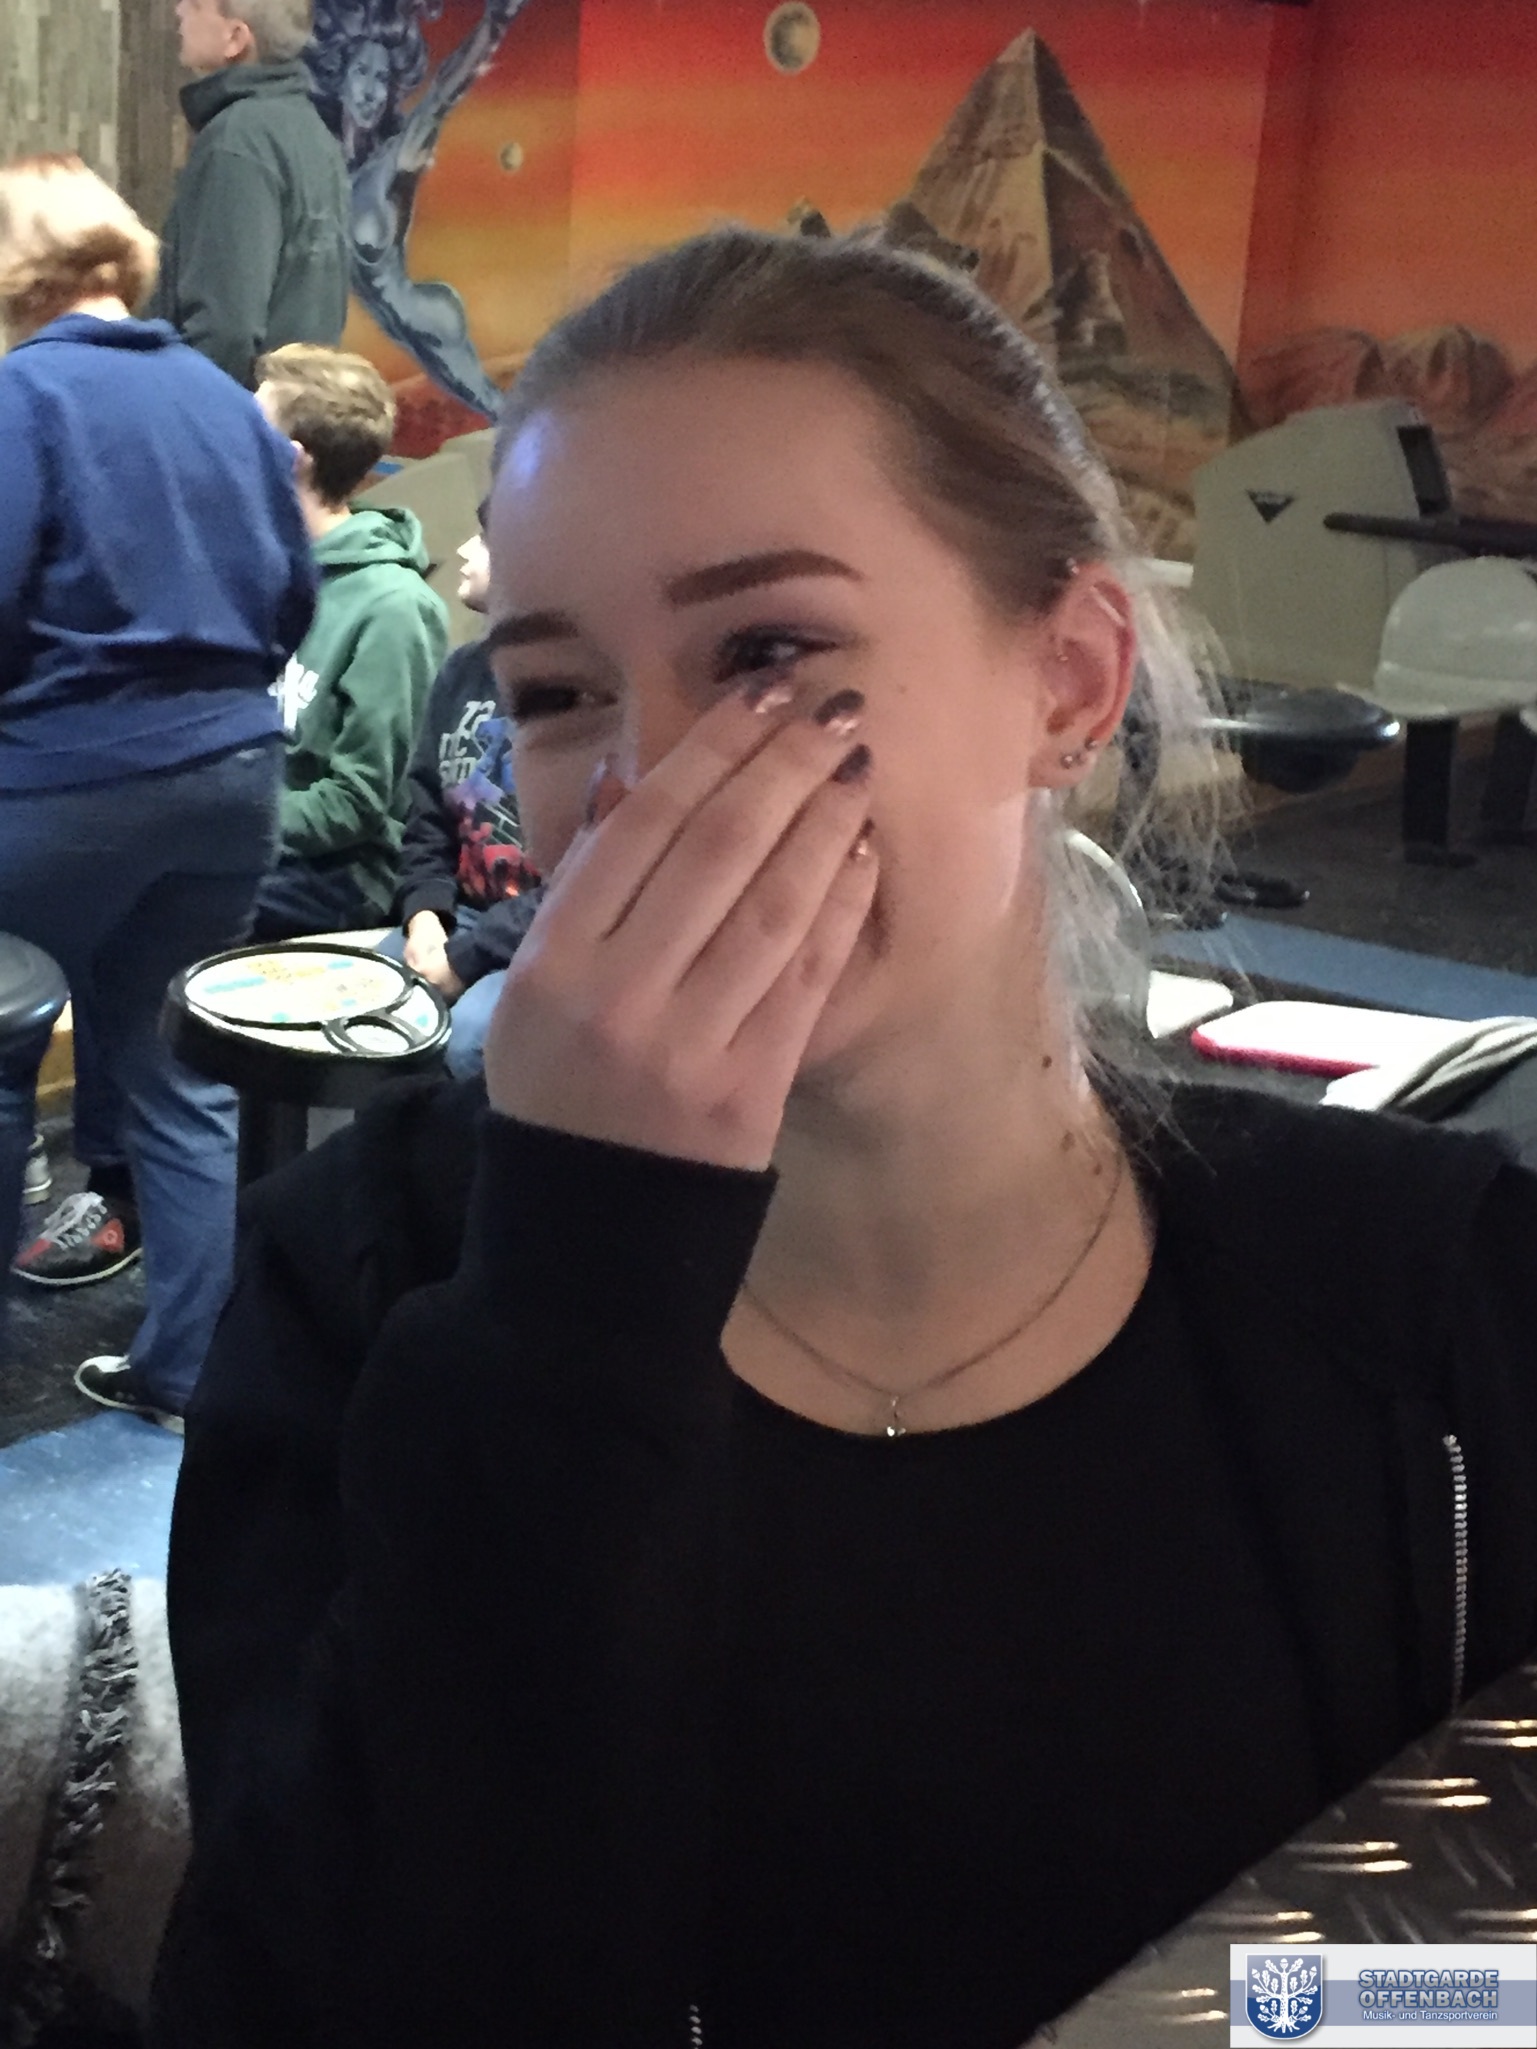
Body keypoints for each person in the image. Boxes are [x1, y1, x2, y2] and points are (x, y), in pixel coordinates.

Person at [151, 231, 1537, 2047]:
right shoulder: (361, 1282)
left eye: (768, 650)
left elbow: (1476, 1968)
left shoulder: (1432, 1298)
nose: (647, 784)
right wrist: (577, 1283)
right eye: (556, 692)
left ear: (1067, 683)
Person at [0, 155, 314, 1427]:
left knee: (3, 1059)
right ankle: (189, 1374)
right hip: (230, 784)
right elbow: (293, 595)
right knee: (180, 1077)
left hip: (57, 788)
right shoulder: (228, 403)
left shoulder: (23, 398)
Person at [248, 344, 449, 938]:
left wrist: (218, 822)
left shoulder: (394, 608)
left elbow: (355, 803)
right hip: (252, 836)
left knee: (154, 914)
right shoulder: (263, 572)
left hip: (339, 875)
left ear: (290, 460)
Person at [306, 0, 529, 415]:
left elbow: (442, 94)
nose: (371, 91)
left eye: (382, 78)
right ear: (340, 77)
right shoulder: (320, 154)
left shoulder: (396, 157)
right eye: (362, 72)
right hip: (391, 324)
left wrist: (494, 25)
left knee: (496, 409)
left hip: (427, 316)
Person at [381, 520, 540, 1077]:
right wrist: (425, 915)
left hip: (546, 934)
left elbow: (589, 872)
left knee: (467, 1039)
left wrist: (466, 959)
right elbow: (426, 817)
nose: (464, 549)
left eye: (484, 539)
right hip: (464, 916)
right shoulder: (462, 671)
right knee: (370, 997)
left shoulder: (589, 688)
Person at [150, 0, 350, 387]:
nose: (179, 10)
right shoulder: (310, 131)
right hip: (299, 404)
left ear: (235, 38)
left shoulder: (237, 140)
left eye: (196, 5)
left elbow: (225, 329)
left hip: (233, 410)